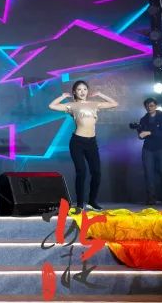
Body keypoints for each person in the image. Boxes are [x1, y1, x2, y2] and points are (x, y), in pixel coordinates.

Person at [49, 80, 118, 212]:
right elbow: (52, 106)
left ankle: (92, 201)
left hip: (92, 142)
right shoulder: (72, 105)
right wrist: (63, 96)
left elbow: (114, 103)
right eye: (79, 89)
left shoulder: (94, 104)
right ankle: (80, 203)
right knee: (81, 172)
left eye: (85, 89)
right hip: (77, 142)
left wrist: (100, 94)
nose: (82, 92)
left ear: (87, 91)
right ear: (74, 92)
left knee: (96, 172)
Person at [137, 98, 162, 205]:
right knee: (148, 174)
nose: (149, 108)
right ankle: (151, 198)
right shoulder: (143, 119)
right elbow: (141, 135)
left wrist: (149, 132)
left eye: (151, 105)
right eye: (147, 106)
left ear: (156, 106)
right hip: (148, 149)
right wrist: (140, 134)